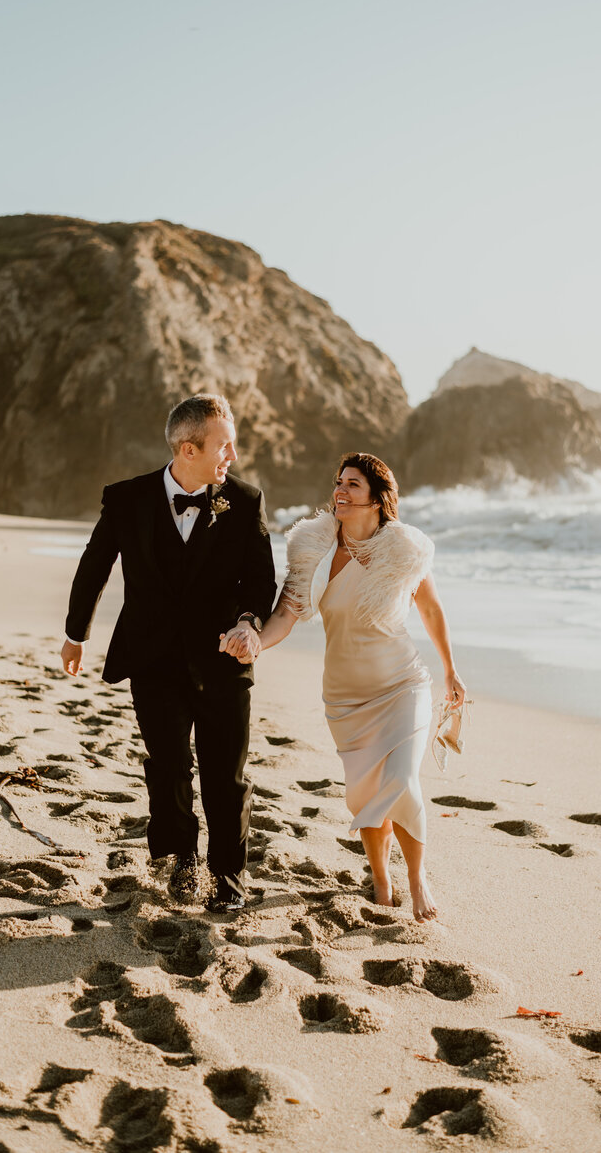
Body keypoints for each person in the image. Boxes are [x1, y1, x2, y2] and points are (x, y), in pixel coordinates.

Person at [222, 452, 465, 922]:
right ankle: (381, 877)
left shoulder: (402, 550)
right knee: (366, 793)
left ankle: (417, 880)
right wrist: (255, 642)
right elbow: (284, 616)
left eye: (353, 484)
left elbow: (431, 610)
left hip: (402, 684)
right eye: (338, 482)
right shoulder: (312, 549)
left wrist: (450, 670)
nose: (341, 491)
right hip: (346, 697)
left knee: (400, 781)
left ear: (378, 497)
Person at [61, 394, 276, 913]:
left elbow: (261, 579)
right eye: (224, 446)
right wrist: (76, 633)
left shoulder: (244, 501)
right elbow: (95, 565)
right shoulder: (127, 499)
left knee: (226, 772)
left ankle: (228, 875)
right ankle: (181, 859)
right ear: (187, 448)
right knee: (169, 766)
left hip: (223, 660)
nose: (233, 456)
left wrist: (249, 623)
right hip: (151, 658)